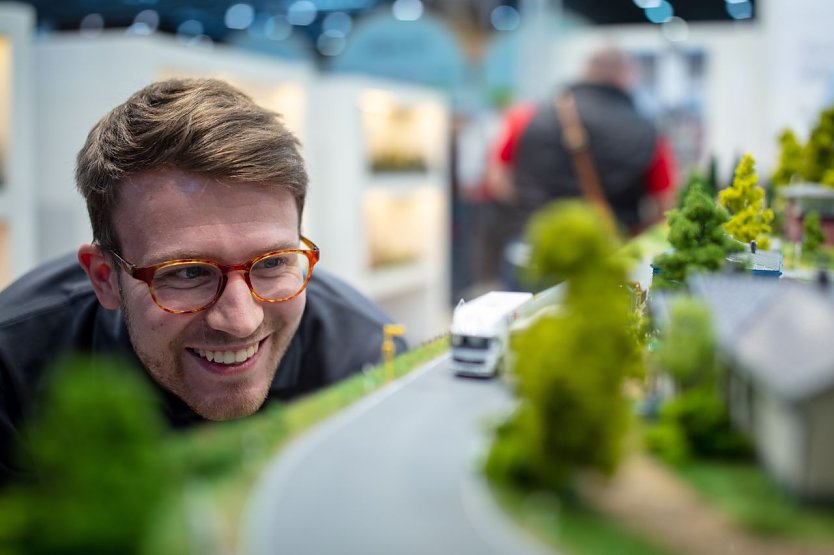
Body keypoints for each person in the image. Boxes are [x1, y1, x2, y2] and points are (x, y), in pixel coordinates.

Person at [0, 78, 405, 484]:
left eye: (271, 263)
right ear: (105, 279)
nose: (240, 321)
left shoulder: (365, 360)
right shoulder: (13, 369)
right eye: (188, 272)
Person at [498, 46, 677, 288]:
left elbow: (498, 179)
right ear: (626, 76)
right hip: (607, 258)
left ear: (586, 71)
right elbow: (665, 204)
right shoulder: (648, 132)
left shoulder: (527, 116)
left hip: (535, 251)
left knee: (521, 322)